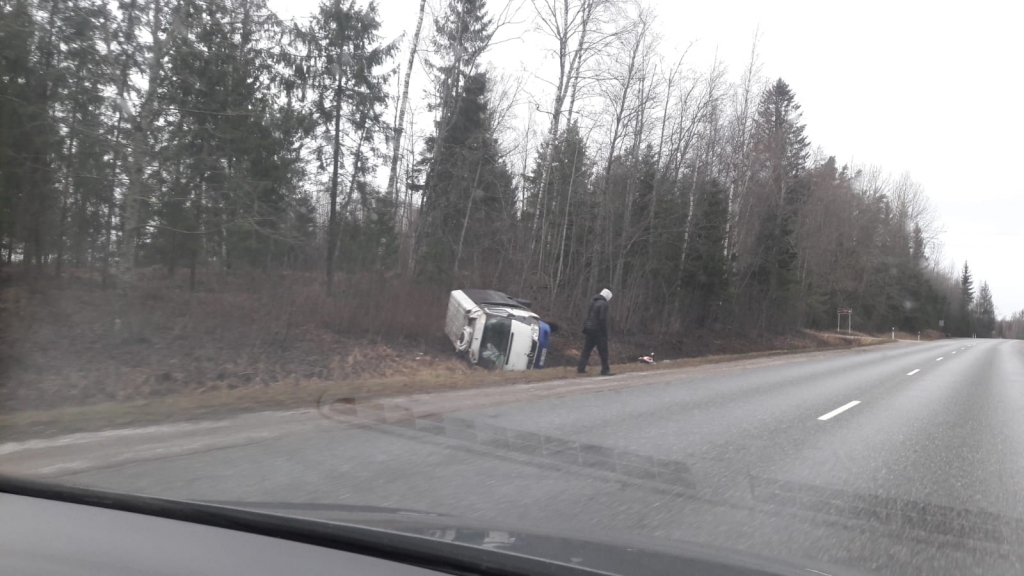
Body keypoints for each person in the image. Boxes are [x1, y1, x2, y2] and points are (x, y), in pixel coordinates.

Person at [577, 288, 614, 376]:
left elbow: (589, 316)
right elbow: (602, 319)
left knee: (586, 350)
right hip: (598, 331)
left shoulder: (592, 302)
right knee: (603, 351)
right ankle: (605, 370)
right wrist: (605, 332)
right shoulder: (604, 304)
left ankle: (581, 368)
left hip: (589, 329)